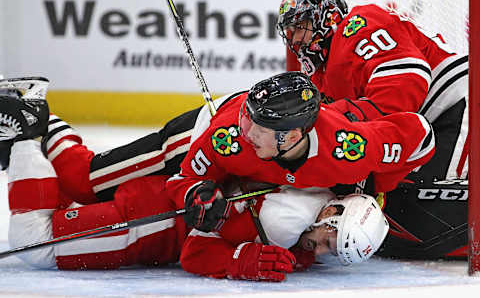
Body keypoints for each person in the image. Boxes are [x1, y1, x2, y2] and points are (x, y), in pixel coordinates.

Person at [1, 89, 389, 278]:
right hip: (159, 202)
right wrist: (239, 260)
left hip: (162, 201)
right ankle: (25, 134)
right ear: (333, 210)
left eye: (330, 252)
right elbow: (198, 249)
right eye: (327, 239)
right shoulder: (286, 216)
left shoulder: (308, 202)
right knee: (39, 238)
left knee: (74, 187)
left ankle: (40, 123)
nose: (319, 251)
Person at [276, 0, 469, 258]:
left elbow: (408, 81)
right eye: (289, 32)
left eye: (300, 27)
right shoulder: (320, 76)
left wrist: (349, 121)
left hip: (459, 101)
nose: (294, 39)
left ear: (325, 16)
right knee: (399, 207)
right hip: (431, 123)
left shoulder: (358, 25)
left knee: (432, 208)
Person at [165, 71, 434, 233]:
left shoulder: (349, 149)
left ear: (292, 136)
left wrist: (376, 186)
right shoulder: (231, 137)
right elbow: (181, 179)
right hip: (200, 129)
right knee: (151, 159)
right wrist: (195, 192)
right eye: (247, 122)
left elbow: (421, 135)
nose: (248, 134)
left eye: (257, 128)